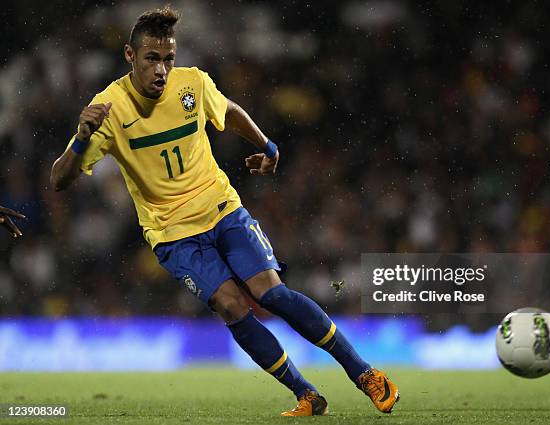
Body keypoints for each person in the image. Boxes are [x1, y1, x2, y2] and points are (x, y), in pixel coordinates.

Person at [50, 6, 399, 416]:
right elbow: (59, 180)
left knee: (274, 294)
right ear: (130, 55)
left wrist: (267, 145)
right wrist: (80, 139)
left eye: (168, 59)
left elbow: (228, 111)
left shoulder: (192, 84)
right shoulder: (108, 109)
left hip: (222, 208)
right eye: (151, 59)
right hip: (172, 233)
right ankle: (305, 393)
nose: (161, 70)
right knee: (231, 305)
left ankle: (364, 373)